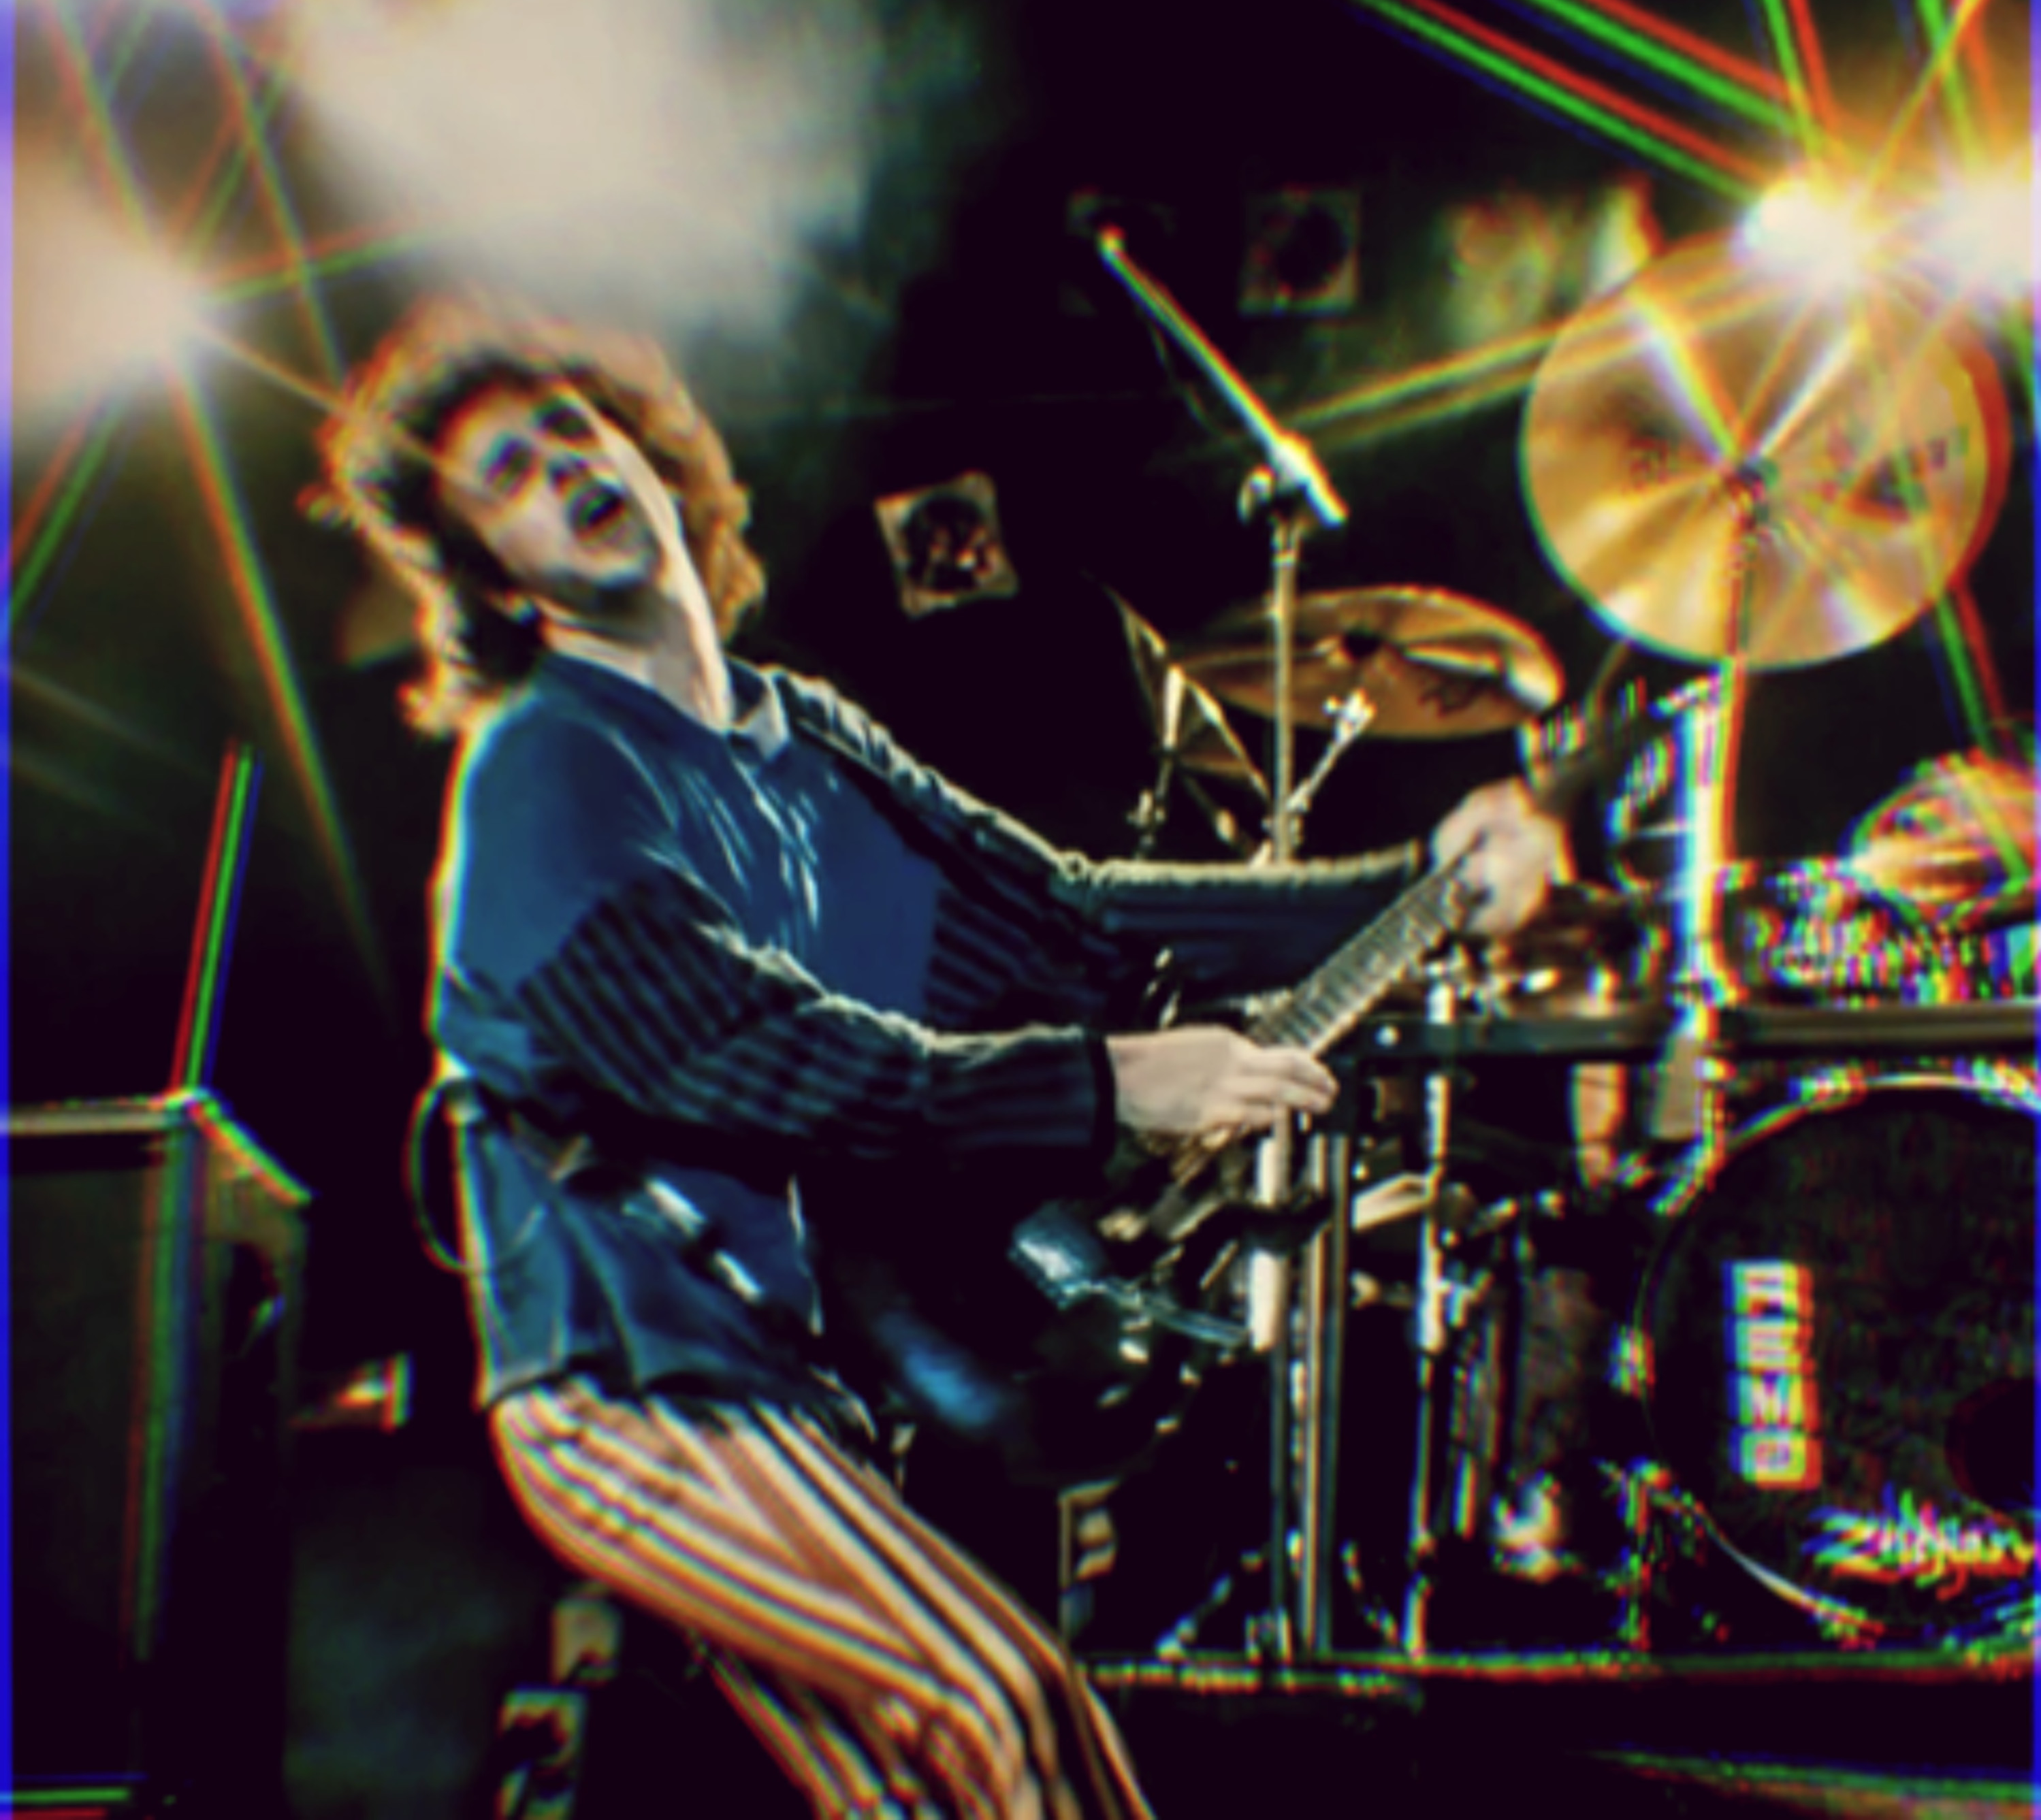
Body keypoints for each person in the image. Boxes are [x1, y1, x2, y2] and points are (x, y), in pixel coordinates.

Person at [317, 295, 1566, 1819]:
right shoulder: (544, 771)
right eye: (509, 476)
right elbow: (745, 1054)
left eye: (571, 430)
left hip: (784, 1392)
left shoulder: (798, 742)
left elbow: (1068, 914)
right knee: (1001, 1710)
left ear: (645, 451)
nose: (564, 468)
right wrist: (1107, 1083)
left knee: (929, 1788)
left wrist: (1414, 882)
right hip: (633, 1391)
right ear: (496, 581)